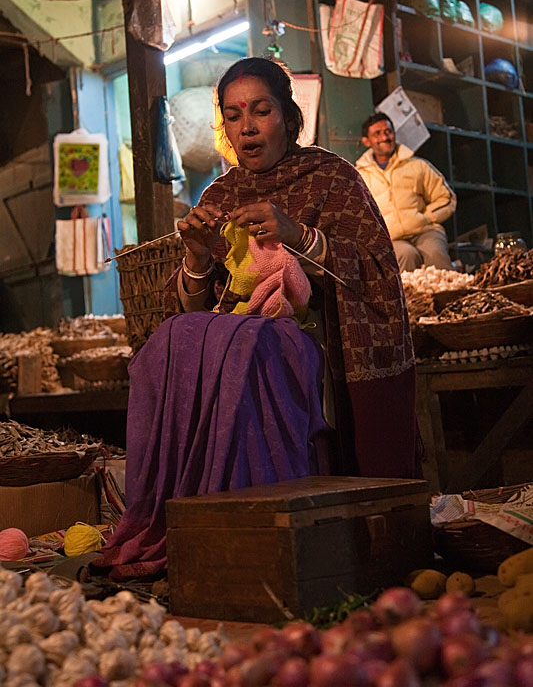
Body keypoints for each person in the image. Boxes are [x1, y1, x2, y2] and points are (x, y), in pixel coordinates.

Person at [94, 58, 419, 580]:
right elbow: (195, 315)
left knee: (254, 348)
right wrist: (197, 259)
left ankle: (279, 536)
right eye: (233, 115)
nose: (246, 126)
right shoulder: (219, 196)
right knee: (174, 340)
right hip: (237, 344)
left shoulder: (334, 178)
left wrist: (298, 235)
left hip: (315, 352)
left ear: (289, 118)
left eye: (261, 111)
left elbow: (379, 273)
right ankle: (216, 527)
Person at [356, 113, 457, 272]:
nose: (385, 137)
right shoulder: (360, 177)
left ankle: (451, 296)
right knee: (405, 256)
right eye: (377, 133)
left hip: (426, 231)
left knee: (436, 253)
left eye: (388, 131)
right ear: (366, 141)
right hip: (392, 239)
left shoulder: (418, 166)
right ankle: (411, 298)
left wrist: (427, 218)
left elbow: (446, 198)